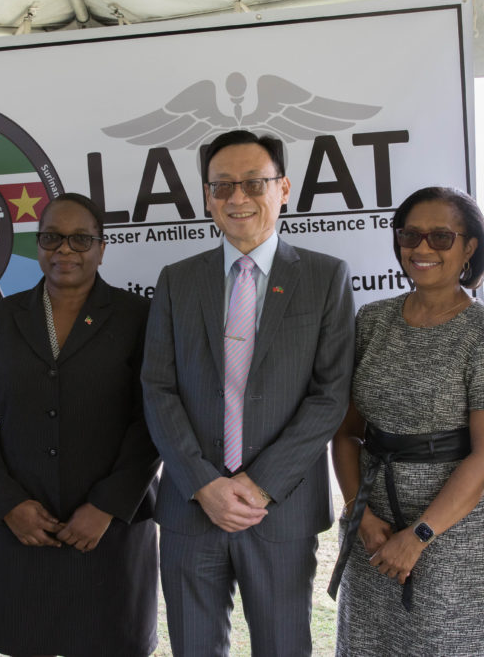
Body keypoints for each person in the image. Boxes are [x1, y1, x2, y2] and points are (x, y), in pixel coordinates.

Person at [141, 129, 355, 656]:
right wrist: (203, 484)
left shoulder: (325, 278)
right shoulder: (176, 281)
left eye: (254, 183)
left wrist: (260, 486)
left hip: (280, 510)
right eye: (222, 186)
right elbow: (158, 388)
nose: (237, 197)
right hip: (192, 506)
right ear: (207, 196)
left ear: (283, 189)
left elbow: (330, 396)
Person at [0, 193, 160, 656]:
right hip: (26, 529)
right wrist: (8, 503)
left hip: (110, 528)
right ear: (38, 245)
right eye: (52, 238)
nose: (65, 249)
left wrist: (106, 506)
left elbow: (153, 417)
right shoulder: (0, 319)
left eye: (80, 239)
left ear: (101, 248)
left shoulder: (138, 317)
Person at [328, 187, 484, 655]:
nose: (421, 248)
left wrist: (419, 536)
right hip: (373, 524)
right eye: (410, 235)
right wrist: (360, 514)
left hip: (459, 532)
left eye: (440, 237)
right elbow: (347, 432)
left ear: (469, 247)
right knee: (364, 647)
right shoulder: (372, 320)